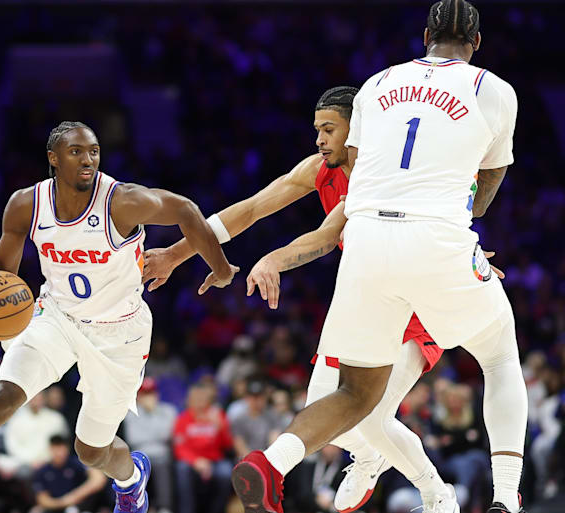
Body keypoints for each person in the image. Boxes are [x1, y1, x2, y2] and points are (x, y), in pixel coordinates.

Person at [227, 3, 526, 513]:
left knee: (353, 393)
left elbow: (364, 172)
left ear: (425, 35)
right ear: (476, 43)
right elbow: (490, 177)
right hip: (434, 239)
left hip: (365, 240)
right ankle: (505, 497)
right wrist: (460, 232)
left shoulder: (377, 83)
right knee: (498, 355)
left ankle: (273, 461)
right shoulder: (492, 89)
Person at [0, 121, 238, 513]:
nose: (88, 159)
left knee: (90, 450)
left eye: (93, 151)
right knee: (0, 399)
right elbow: (3, 274)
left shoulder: (121, 201)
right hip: (57, 317)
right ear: (53, 159)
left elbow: (186, 210)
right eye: (76, 152)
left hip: (119, 333)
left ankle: (131, 480)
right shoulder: (26, 204)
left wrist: (222, 268)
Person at [144, 86, 452, 512]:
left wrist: (274, 260)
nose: (320, 140)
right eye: (317, 130)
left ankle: (438, 494)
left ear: (357, 128)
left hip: (413, 298)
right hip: (364, 296)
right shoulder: (319, 169)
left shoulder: (382, 175)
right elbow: (251, 208)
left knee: (373, 413)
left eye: (329, 129)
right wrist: (176, 255)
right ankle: (365, 456)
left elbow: (327, 237)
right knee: (322, 415)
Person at [172, 382, 233, 513]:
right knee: (182, 468)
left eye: (202, 398)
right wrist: (196, 461)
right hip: (192, 462)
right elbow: (179, 448)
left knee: (226, 472)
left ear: (208, 400)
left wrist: (221, 427)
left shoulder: (218, 415)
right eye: (195, 398)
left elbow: (228, 445)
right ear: (189, 400)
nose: (199, 402)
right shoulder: (183, 419)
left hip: (215, 461)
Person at [122, 378, 177, 513]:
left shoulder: (168, 411)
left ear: (157, 394)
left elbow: (168, 435)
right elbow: (134, 438)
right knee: (137, 467)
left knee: (161, 463)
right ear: (138, 396)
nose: (149, 397)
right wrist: (156, 433)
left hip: (162, 455)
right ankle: (136, 508)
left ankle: (164, 508)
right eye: (145, 394)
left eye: (151, 393)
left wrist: (153, 414)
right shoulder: (130, 413)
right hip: (139, 455)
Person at [31, 435, 107, 513]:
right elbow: (42, 499)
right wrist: (63, 502)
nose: (59, 453)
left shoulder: (76, 463)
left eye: (61, 448)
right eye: (56, 449)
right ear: (50, 449)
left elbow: (98, 479)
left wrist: (74, 496)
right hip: (55, 506)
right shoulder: (42, 471)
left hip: (78, 505)